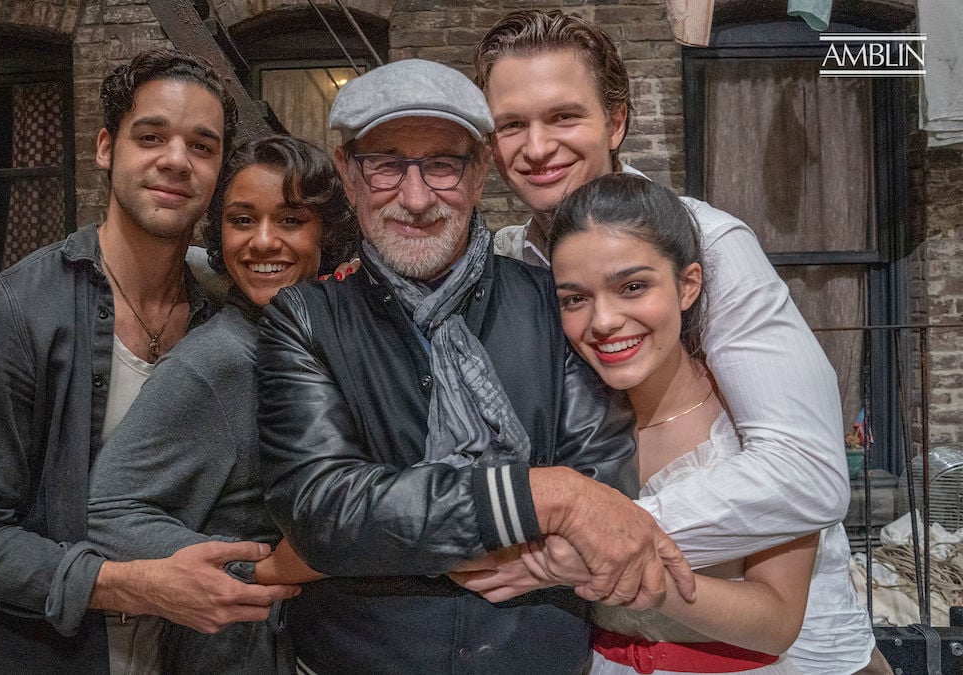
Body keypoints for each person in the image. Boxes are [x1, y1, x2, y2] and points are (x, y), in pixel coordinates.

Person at [456, 11, 886, 672]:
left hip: (787, 648)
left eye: (564, 116)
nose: (536, 147)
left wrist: (601, 536)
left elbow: (807, 471)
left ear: (616, 123)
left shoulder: (709, 244)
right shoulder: (508, 264)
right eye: (512, 124)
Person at [255, 57, 695, 674]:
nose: (415, 198)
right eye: (385, 165)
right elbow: (325, 512)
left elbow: (604, 492)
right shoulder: (304, 319)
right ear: (347, 175)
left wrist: (405, 532)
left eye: (442, 164)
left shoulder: (552, 303)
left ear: (481, 168)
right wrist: (549, 496)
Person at [0, 49, 298, 673]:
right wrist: (135, 584)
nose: (175, 160)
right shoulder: (15, 311)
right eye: (151, 136)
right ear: (106, 147)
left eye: (202, 147)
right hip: (31, 655)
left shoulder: (224, 319)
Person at [550, 173, 876, 673]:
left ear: (688, 285)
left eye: (633, 287)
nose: (603, 321)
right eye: (576, 298)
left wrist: (638, 573)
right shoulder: (567, 421)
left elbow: (778, 619)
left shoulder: (752, 426)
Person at [86, 135, 356, 674]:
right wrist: (252, 566)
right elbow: (106, 511)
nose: (262, 242)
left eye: (290, 220)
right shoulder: (219, 363)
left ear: (326, 233)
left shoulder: (320, 339)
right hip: (241, 652)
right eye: (241, 220)